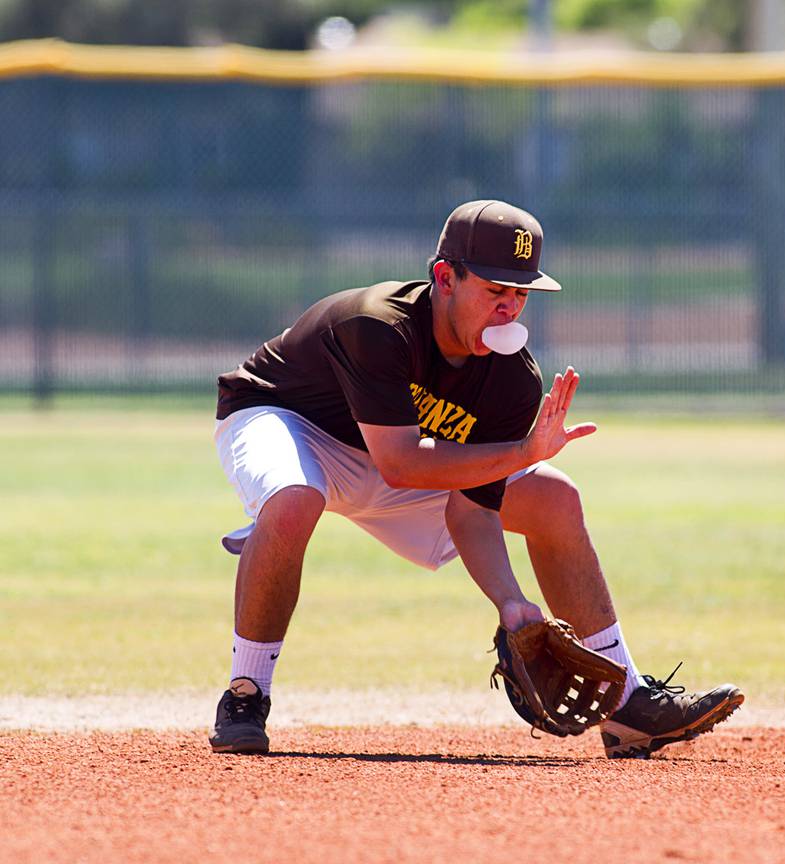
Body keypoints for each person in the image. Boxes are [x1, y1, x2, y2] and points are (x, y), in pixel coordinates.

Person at [209, 199, 743, 758]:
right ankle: (246, 694)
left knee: (554, 497)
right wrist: (519, 451)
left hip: (394, 454)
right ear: (445, 277)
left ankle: (627, 702)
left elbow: (470, 511)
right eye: (495, 290)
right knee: (296, 498)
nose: (510, 307)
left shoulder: (513, 380)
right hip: (290, 424)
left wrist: (511, 604)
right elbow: (401, 464)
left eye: (521, 293)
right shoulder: (379, 326)